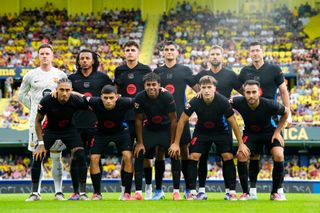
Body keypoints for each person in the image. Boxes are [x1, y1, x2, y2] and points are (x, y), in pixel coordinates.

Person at [169, 75, 245, 200]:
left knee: (228, 156)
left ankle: (231, 191)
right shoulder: (194, 101)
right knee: (193, 156)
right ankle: (193, 192)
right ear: (200, 89)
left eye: (209, 87)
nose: (206, 90)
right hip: (202, 132)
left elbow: (233, 123)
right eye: (203, 87)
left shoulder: (223, 101)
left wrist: (241, 143)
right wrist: (176, 143)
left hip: (221, 131)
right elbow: (182, 121)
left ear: (215, 88)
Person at [238, 41, 291, 200]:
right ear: (249, 53)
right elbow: (242, 93)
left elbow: (283, 91)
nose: (255, 53)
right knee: (252, 156)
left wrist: (288, 116)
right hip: (253, 121)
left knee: (278, 154)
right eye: (252, 51)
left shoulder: (274, 69)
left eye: (257, 50)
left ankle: (278, 190)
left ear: (262, 52)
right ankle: (251, 191)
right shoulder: (244, 71)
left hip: (272, 120)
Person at [26, 78, 89, 201]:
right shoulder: (47, 100)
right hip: (50, 131)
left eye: (67, 90)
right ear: (56, 90)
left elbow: (92, 104)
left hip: (69, 131)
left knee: (81, 155)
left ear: (71, 90)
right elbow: (38, 121)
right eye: (61, 90)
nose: (64, 93)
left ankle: (82, 193)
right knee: (37, 155)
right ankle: (34, 193)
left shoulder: (76, 100)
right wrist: (40, 143)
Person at [19, 44, 67, 201]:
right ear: (38, 56)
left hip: (56, 121)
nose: (45, 56)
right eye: (42, 53)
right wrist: (34, 107)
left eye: (47, 53)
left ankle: (58, 192)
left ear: (53, 56)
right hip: (36, 122)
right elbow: (21, 95)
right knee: (37, 156)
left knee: (56, 156)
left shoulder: (60, 75)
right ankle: (35, 193)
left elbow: (66, 93)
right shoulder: (30, 75)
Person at [193, 45, 242, 200]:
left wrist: (234, 102)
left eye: (217, 54)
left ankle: (230, 191)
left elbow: (245, 93)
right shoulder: (202, 75)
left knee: (227, 156)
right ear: (209, 57)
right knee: (201, 157)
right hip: (204, 123)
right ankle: (201, 190)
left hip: (223, 123)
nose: (215, 56)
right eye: (212, 54)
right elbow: (189, 84)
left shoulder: (230, 75)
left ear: (222, 57)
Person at [154, 41, 199, 200]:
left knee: (184, 151)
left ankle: (187, 189)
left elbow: (198, 90)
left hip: (181, 117)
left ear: (177, 52)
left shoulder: (185, 70)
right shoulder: (157, 71)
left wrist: (193, 105)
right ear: (163, 53)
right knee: (160, 151)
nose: (169, 52)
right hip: (161, 118)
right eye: (167, 50)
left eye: (172, 49)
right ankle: (158, 190)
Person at [231, 80, 289, 201]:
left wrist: (278, 132)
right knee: (241, 155)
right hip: (251, 134)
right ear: (244, 93)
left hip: (270, 133)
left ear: (259, 92)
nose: (251, 95)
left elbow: (286, 112)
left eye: (254, 92)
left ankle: (275, 193)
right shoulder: (237, 101)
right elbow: (222, 103)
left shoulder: (269, 104)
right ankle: (246, 193)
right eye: (248, 92)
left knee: (278, 155)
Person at [68, 49, 112, 200]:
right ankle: (77, 191)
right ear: (78, 61)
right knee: (76, 157)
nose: (85, 60)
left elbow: (110, 98)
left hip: (96, 124)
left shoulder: (103, 78)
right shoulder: (71, 78)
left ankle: (97, 192)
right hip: (75, 124)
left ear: (93, 61)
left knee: (95, 158)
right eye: (82, 58)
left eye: (88, 58)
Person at [79, 85, 134, 200]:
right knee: (94, 158)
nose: (108, 101)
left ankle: (127, 193)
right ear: (101, 97)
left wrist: (161, 90)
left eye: (111, 98)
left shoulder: (125, 102)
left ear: (117, 97)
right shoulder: (95, 101)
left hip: (120, 132)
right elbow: (81, 96)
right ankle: (97, 193)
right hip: (101, 133)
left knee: (127, 156)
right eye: (105, 98)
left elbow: (142, 99)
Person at [114, 41, 152, 200]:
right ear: (124, 53)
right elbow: (115, 93)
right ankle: (125, 190)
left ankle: (148, 188)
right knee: (126, 155)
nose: (130, 52)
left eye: (132, 50)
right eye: (127, 50)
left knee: (145, 156)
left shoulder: (145, 69)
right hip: (125, 118)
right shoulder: (119, 70)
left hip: (142, 118)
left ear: (138, 52)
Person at [133, 72, 180, 200]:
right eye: (148, 85)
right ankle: (138, 192)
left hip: (165, 129)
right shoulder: (140, 97)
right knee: (139, 153)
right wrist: (140, 142)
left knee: (174, 153)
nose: (151, 87)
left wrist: (173, 142)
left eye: (154, 84)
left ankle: (175, 192)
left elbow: (174, 120)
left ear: (159, 85)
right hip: (150, 129)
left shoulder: (167, 96)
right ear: (144, 86)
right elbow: (138, 120)